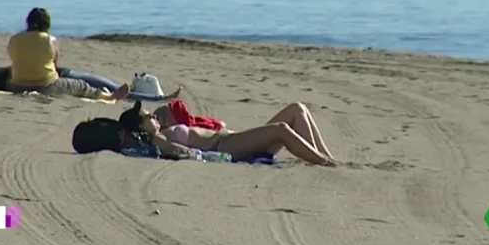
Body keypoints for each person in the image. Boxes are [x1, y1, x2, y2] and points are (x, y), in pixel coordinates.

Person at [118, 100, 339, 167]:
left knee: (297, 110)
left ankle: (325, 155)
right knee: (281, 129)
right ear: (140, 127)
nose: (151, 117)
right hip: (225, 147)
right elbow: (183, 152)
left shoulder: (163, 130)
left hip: (234, 139)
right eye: (147, 118)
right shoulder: (159, 139)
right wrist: (206, 157)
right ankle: (323, 162)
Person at [0, 51, 179, 101]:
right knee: (89, 78)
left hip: (14, 78)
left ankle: (132, 95)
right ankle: (135, 95)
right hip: (17, 72)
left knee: (86, 81)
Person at [6, 7, 128, 101]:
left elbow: (13, 59)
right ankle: (109, 96)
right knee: (80, 85)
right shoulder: (50, 40)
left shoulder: (15, 39)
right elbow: (54, 65)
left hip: (18, 85)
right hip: (45, 86)